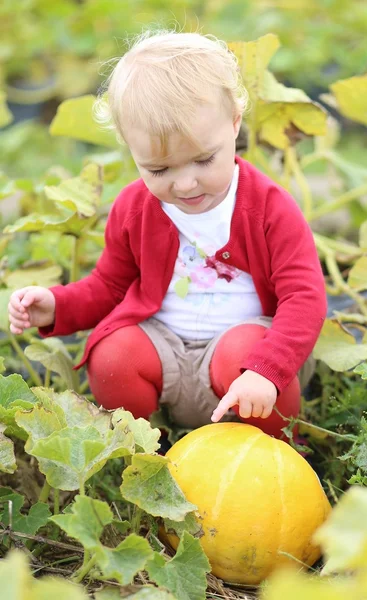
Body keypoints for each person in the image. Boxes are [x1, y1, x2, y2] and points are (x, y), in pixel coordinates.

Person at [7, 29, 327, 439]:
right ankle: (143, 454)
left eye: (203, 160)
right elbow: (109, 285)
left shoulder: (269, 207)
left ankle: (272, 451)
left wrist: (268, 369)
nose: (186, 185)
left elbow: (305, 298)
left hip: (247, 355)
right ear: (130, 147)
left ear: (234, 123)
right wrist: (57, 304)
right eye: (159, 170)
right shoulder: (134, 208)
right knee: (112, 355)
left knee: (241, 353)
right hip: (166, 346)